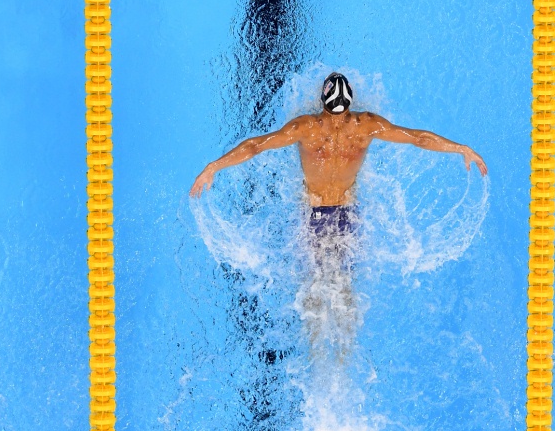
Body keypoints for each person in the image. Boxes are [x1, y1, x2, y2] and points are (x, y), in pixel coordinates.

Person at [190, 72, 486, 355]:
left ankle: (316, 352)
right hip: (348, 214)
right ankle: (346, 354)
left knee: (313, 287)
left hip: (313, 216)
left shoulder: (304, 128)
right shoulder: (367, 125)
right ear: (352, 101)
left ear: (322, 101)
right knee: (345, 287)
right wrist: (460, 148)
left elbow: (255, 146)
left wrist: (213, 167)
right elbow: (417, 138)